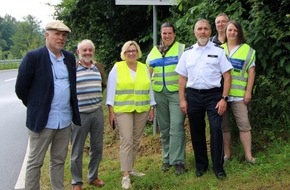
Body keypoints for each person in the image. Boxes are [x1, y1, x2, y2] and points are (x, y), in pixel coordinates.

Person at [15, 20, 81, 190]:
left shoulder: (69, 58)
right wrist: (37, 106)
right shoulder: (34, 57)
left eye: (64, 35)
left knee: (58, 161)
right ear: (47, 35)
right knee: (35, 162)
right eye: (57, 34)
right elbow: (21, 89)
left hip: (64, 120)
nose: (61, 38)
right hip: (42, 121)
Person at [175, 19, 233, 180]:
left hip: (214, 96)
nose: (202, 32)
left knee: (215, 130)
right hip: (193, 96)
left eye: (206, 29)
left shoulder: (219, 51)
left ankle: (218, 168)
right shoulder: (187, 53)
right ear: (195, 32)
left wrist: (224, 98)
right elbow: (181, 78)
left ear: (210, 31)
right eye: (199, 29)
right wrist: (182, 100)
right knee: (196, 131)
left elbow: (227, 76)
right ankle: (201, 166)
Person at [106, 40, 156, 189]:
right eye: (129, 51)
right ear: (124, 53)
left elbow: (149, 88)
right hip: (123, 109)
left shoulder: (143, 68)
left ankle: (131, 168)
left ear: (138, 52)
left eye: (134, 50)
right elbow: (111, 90)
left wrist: (152, 106)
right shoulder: (117, 67)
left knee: (136, 140)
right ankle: (125, 175)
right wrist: (111, 111)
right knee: (127, 140)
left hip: (142, 108)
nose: (132, 53)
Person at [146, 22, 186, 175]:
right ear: (160, 34)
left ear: (174, 34)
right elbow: (147, 75)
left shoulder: (182, 49)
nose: (167, 36)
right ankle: (166, 158)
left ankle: (178, 161)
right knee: (164, 128)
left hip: (177, 93)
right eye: (164, 33)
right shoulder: (154, 51)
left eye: (170, 33)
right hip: (159, 94)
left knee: (176, 126)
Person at [70, 39, 106, 190]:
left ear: (93, 52)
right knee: (77, 149)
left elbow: (103, 85)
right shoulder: (72, 68)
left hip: (97, 112)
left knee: (97, 147)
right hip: (80, 115)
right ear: (78, 52)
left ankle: (93, 176)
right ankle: (76, 182)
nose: (87, 53)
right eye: (84, 50)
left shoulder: (98, 67)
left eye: (90, 50)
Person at [221, 20, 256, 164]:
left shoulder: (247, 50)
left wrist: (248, 92)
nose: (232, 33)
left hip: (239, 95)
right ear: (225, 32)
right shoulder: (219, 48)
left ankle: (249, 155)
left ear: (239, 32)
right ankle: (227, 155)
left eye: (235, 30)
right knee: (224, 127)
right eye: (229, 30)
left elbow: (252, 72)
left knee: (244, 125)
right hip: (221, 95)